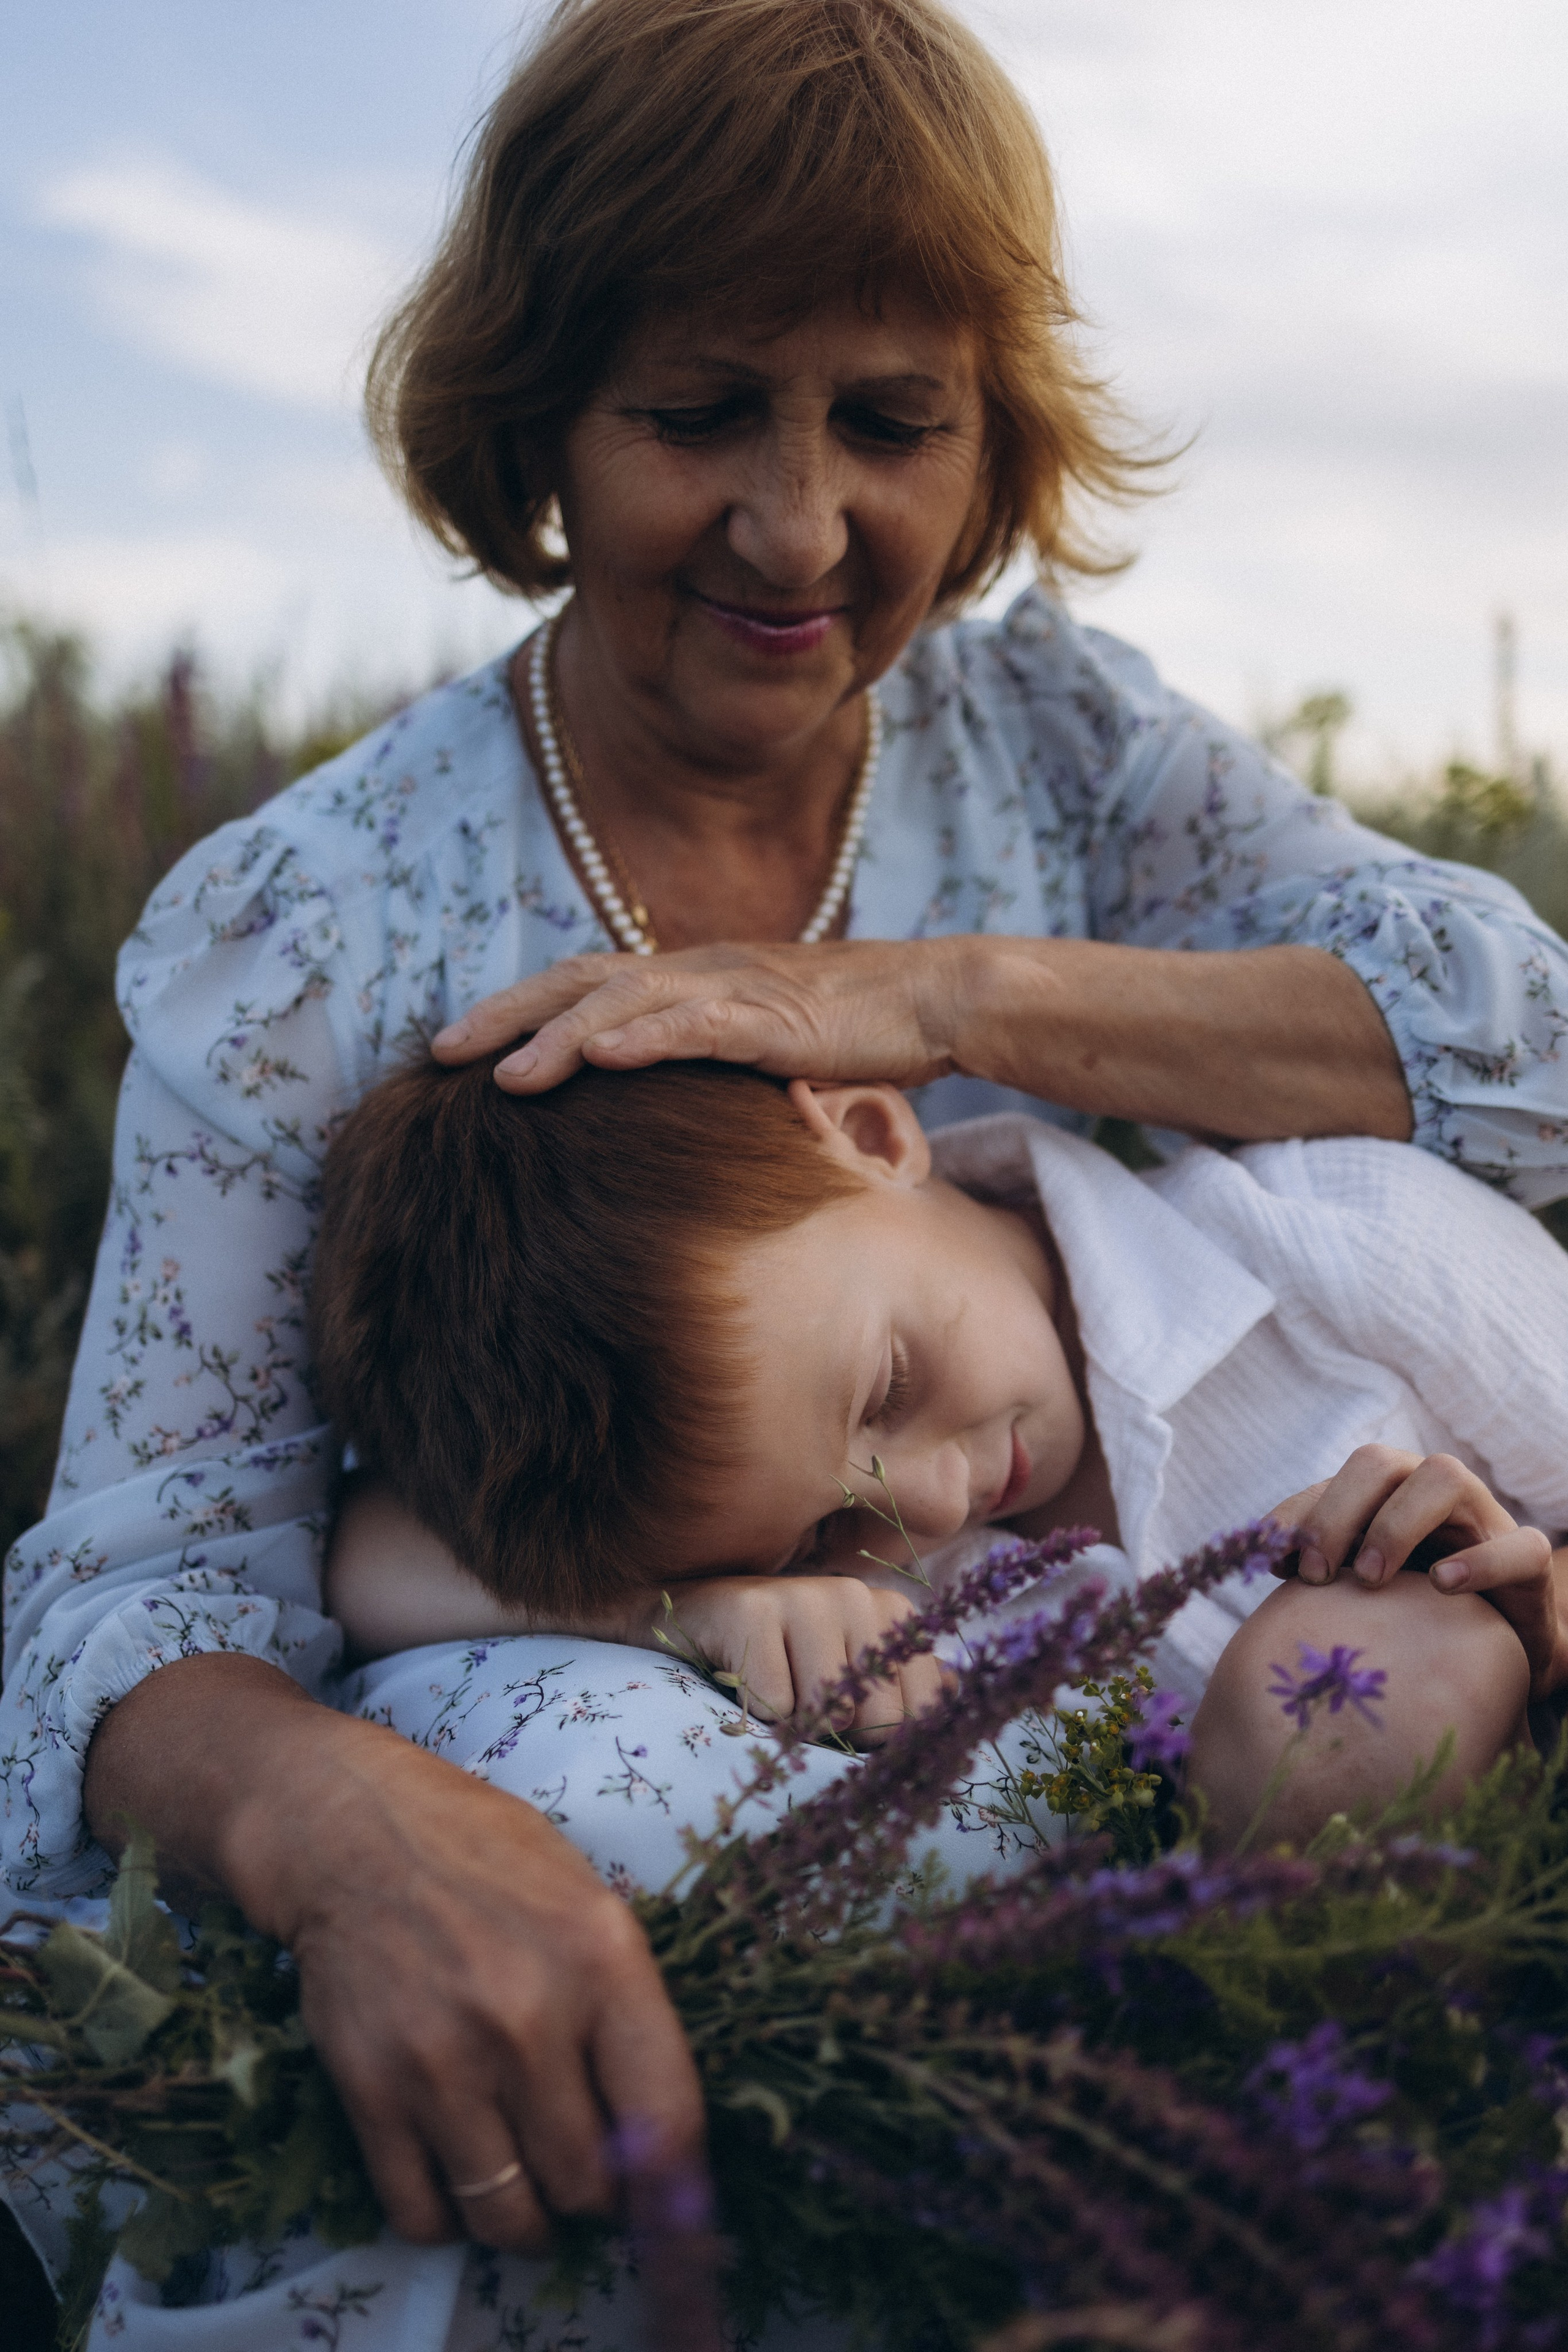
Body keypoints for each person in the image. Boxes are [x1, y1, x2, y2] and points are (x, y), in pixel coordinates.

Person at [5, 0, 1568, 2332]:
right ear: (543, 412)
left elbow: (1518, 1041)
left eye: (893, 422)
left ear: (989, 430)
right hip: (584, 1752)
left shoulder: (1059, 746)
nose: (799, 524)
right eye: (700, 411)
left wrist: (946, 995)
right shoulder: (308, 933)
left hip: (1156, 1733)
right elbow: (139, 1596)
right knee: (608, 1821)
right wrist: (349, 1832)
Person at [312, 1049, 1568, 1855]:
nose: (929, 1497)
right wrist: (687, 1609)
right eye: (821, 1530)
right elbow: (358, 1558)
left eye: (886, 1388)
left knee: (1360, 1663)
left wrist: (1544, 1614)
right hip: (1268, 1975)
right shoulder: (880, 1592)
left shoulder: (1336, 1240)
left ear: (873, 1137)